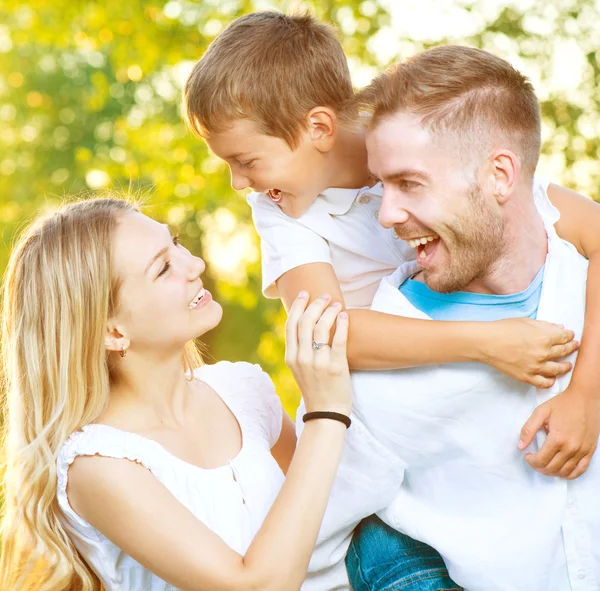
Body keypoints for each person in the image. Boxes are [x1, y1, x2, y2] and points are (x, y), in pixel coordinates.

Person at [308, 45, 600, 591]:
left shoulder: (579, 277)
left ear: (499, 175)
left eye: (409, 183)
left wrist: (586, 393)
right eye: (380, 185)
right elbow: (319, 543)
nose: (387, 213)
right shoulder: (376, 381)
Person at [0, 194, 387, 591]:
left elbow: (324, 528)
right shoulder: (98, 466)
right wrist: (325, 414)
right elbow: (257, 587)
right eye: (163, 268)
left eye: (177, 243)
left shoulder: (243, 392)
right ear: (111, 331)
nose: (195, 265)